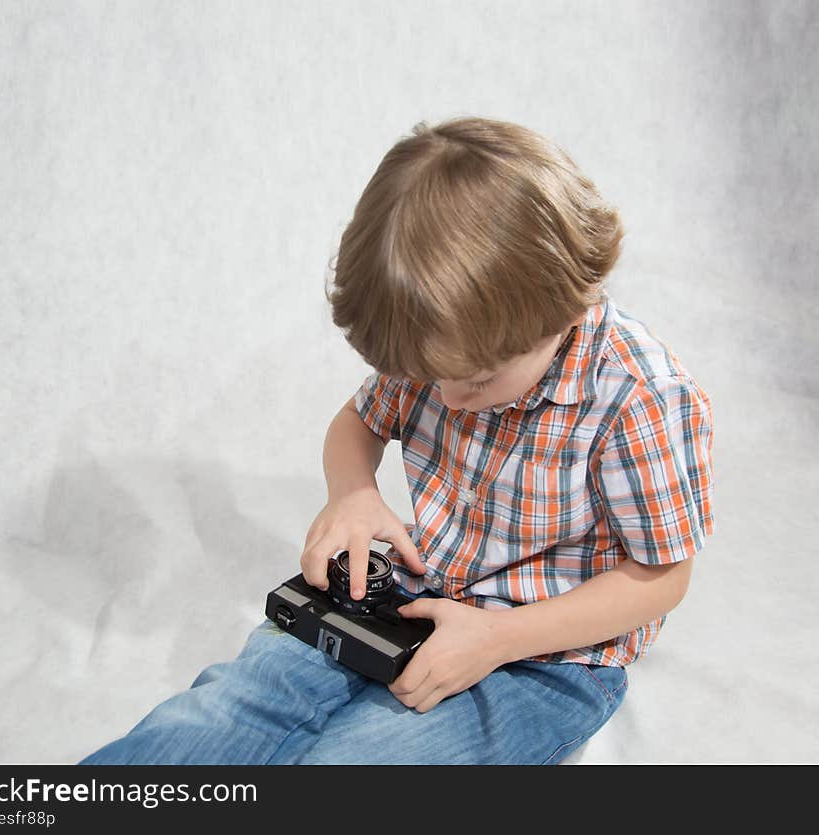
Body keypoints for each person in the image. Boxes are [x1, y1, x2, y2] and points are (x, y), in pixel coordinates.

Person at [78, 116, 714, 765]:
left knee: (359, 760)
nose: (443, 398)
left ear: (564, 311)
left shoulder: (641, 399)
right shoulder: (447, 347)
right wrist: (351, 493)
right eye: (425, 378)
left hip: (544, 656)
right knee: (231, 708)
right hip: (415, 589)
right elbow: (357, 424)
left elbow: (660, 576)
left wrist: (496, 638)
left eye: (473, 381)